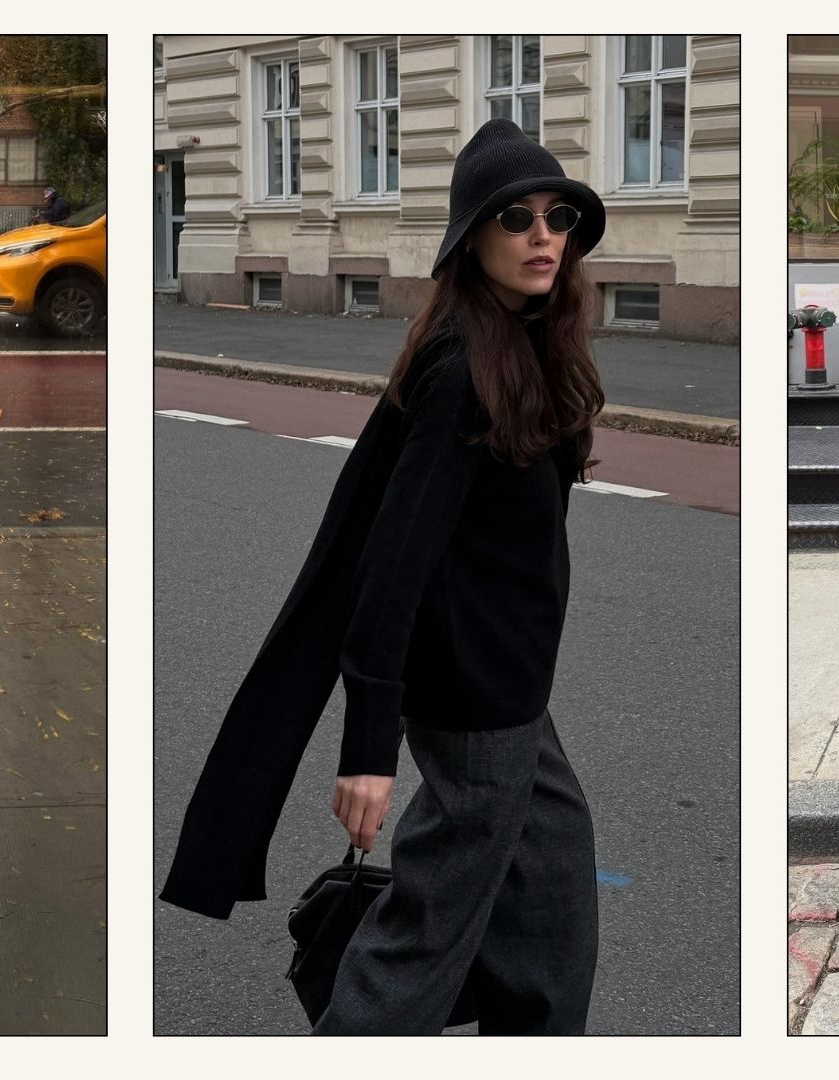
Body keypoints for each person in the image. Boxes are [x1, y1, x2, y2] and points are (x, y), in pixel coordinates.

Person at [160, 118, 608, 1034]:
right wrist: (368, 748)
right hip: (475, 701)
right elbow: (388, 566)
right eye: (514, 217)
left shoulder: (527, 343)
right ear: (471, 238)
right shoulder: (461, 370)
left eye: (556, 216)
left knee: (554, 894)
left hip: (513, 689)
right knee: (425, 932)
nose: (542, 235)